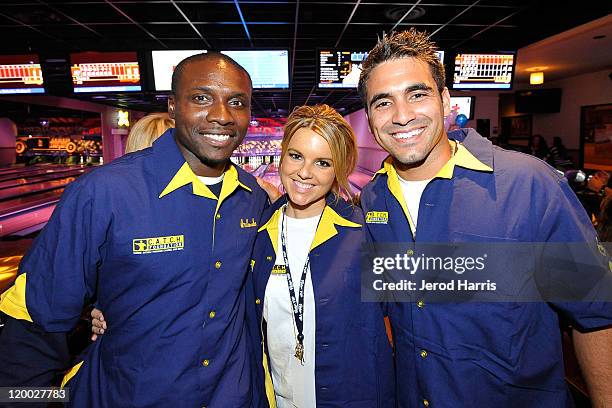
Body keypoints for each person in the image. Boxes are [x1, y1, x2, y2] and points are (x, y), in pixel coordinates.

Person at [357, 29, 612, 407]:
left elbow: (595, 314)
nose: (402, 115)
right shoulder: (374, 197)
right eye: (383, 103)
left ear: (445, 101)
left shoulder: (529, 184)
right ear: (370, 117)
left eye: (417, 94)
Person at [0, 52, 269, 407]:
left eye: (237, 102)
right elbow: (36, 322)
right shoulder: (104, 192)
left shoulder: (253, 198)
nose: (221, 115)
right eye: (201, 98)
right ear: (172, 108)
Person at [247, 104, 394, 407]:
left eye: (323, 163)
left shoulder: (364, 232)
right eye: (296, 156)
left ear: (339, 169)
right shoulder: (257, 233)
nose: (304, 172)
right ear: (283, 154)